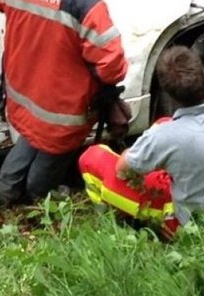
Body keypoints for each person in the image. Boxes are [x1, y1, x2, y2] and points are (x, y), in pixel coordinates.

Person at [0, 0, 128, 206]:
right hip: (62, 104)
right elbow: (112, 62)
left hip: (24, 92)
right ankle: (41, 197)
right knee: (48, 155)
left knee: (32, 134)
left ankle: (0, 193)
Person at [79, 46, 204, 236]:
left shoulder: (163, 136)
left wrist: (138, 151)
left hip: (192, 225)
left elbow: (123, 169)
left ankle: (108, 225)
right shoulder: (166, 132)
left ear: (167, 92)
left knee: (91, 158)